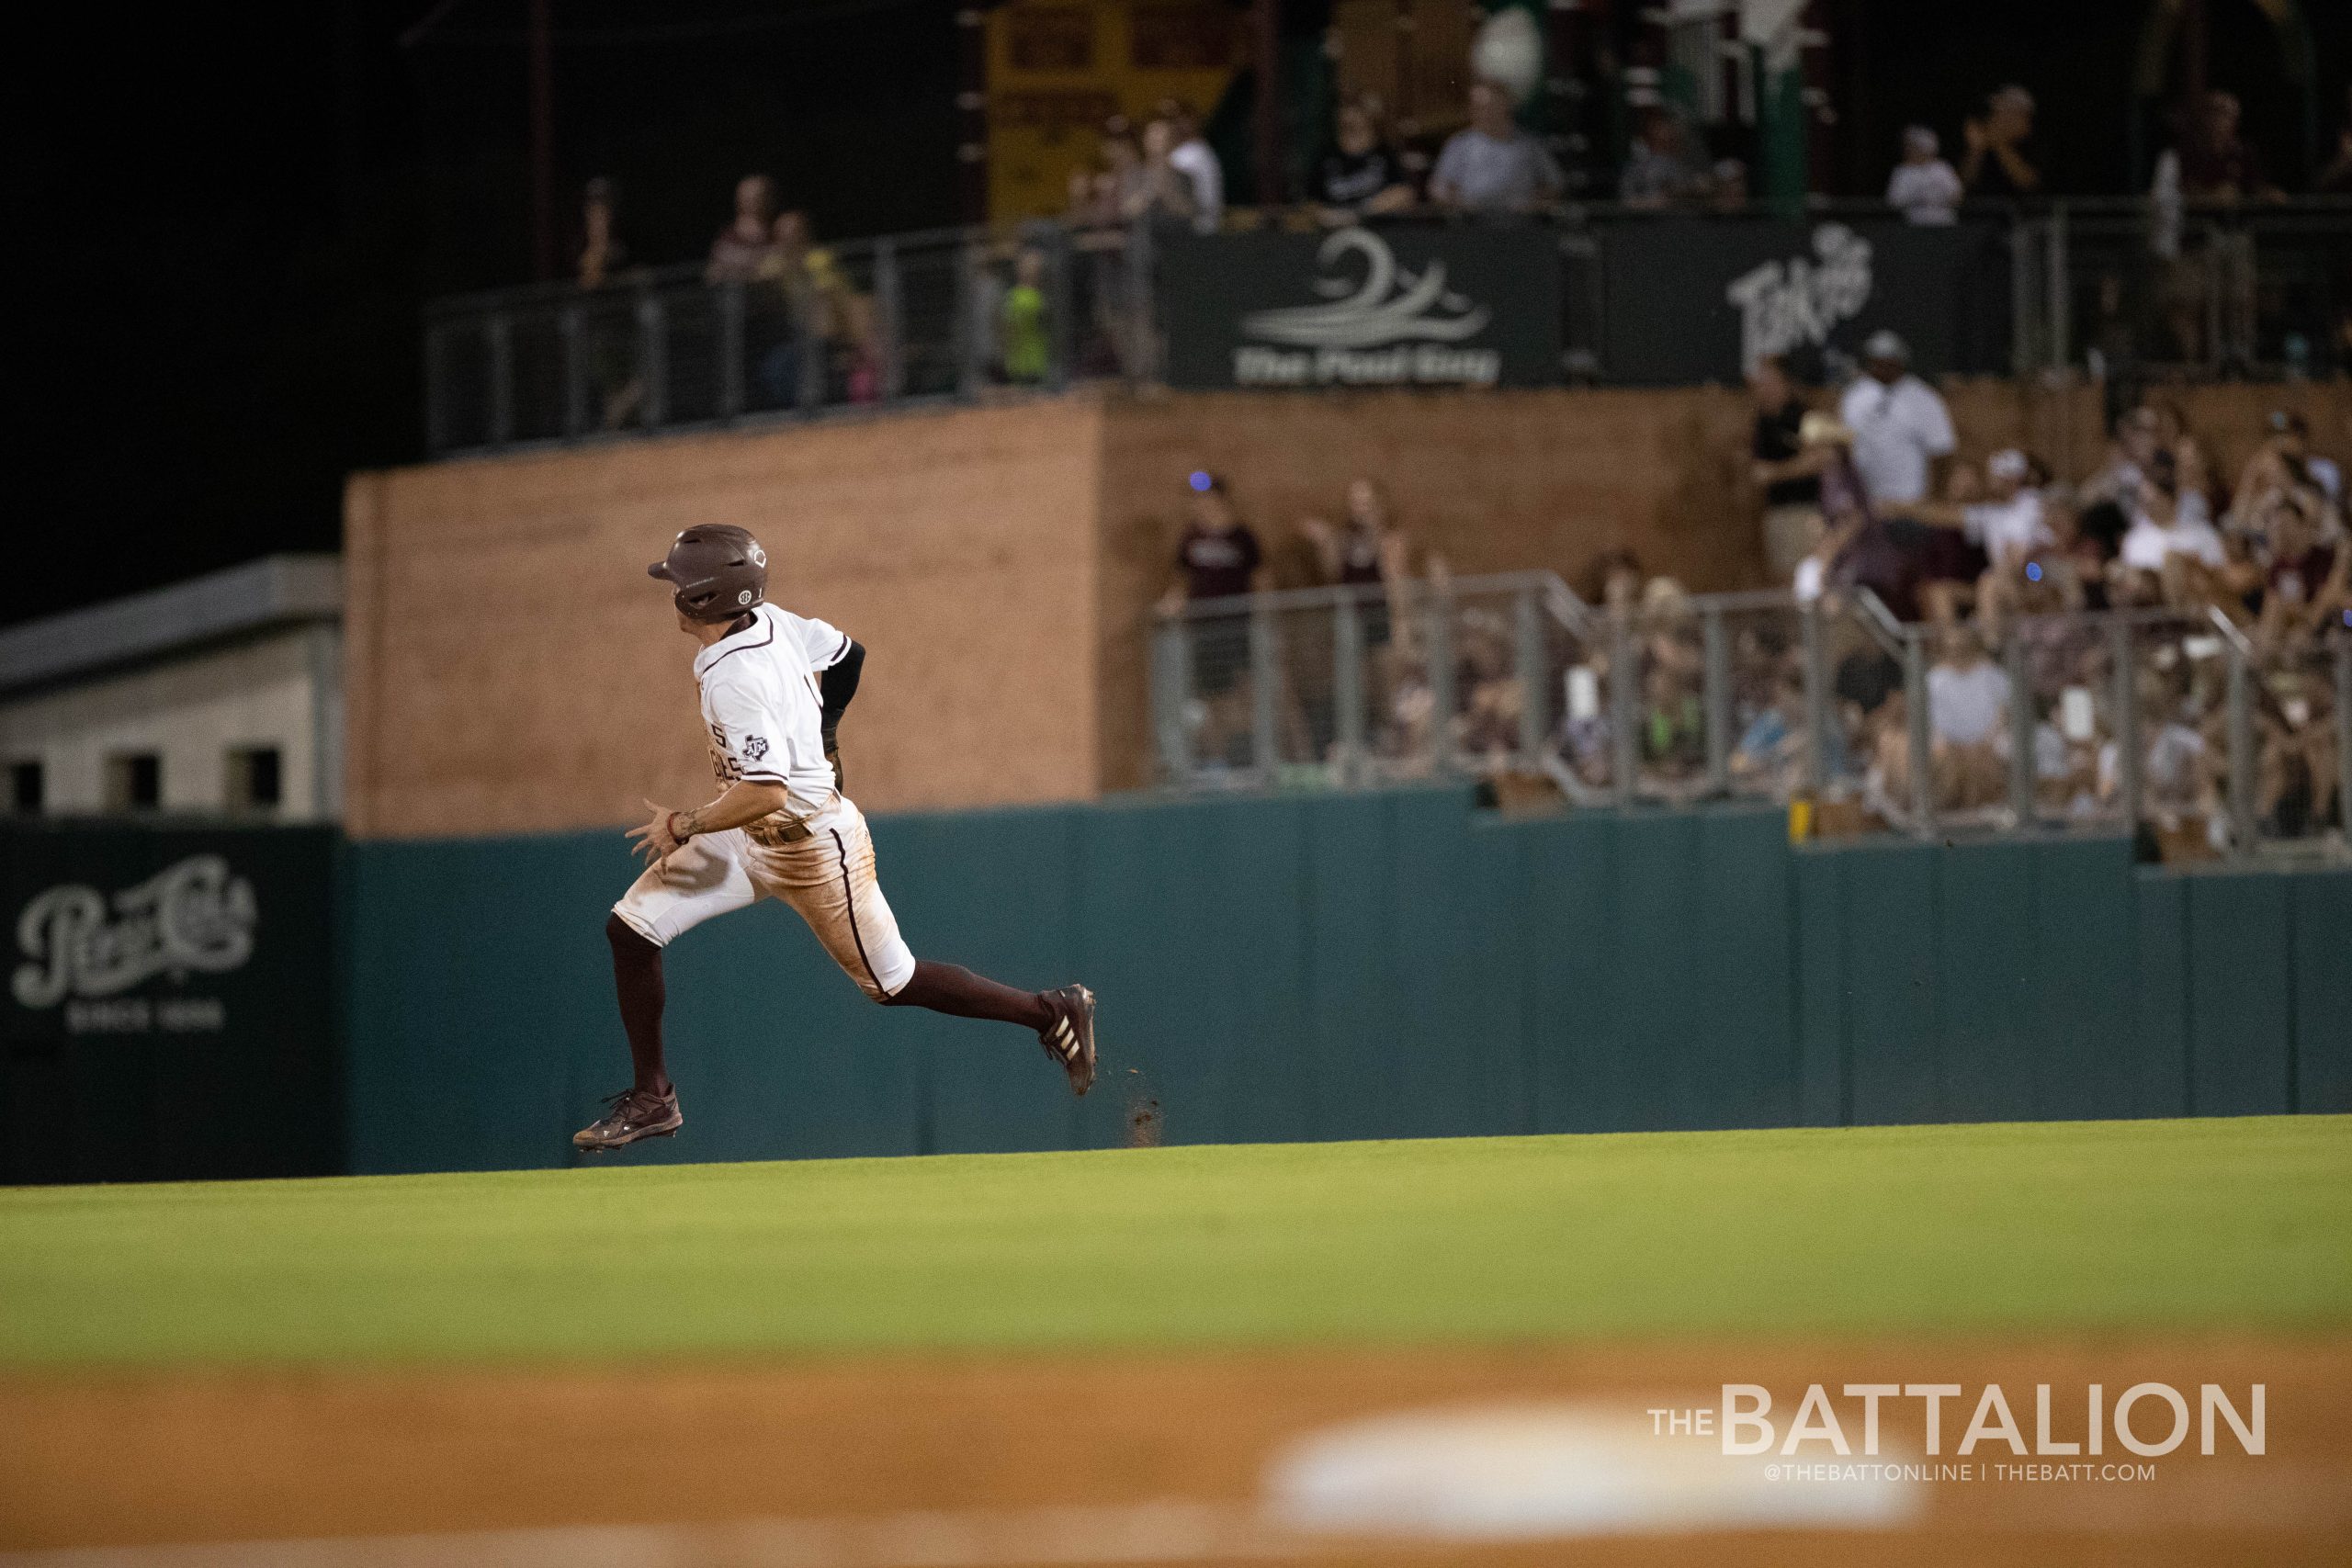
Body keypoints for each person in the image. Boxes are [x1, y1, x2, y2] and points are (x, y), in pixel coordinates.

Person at [574, 527, 1099, 1150]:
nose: (672, 591)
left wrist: (682, 823)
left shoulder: (732, 677)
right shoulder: (769, 620)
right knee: (631, 928)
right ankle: (653, 1099)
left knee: (893, 982)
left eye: (679, 583)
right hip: (748, 836)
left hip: (811, 849)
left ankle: (1050, 1009)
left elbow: (767, 789)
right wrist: (826, 737)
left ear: (702, 599)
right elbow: (848, 654)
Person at [1837, 331, 1956, 508]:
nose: (1882, 368)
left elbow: (1942, 452)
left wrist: (1932, 500)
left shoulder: (1924, 398)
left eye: (1889, 362)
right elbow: (1842, 446)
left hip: (1910, 502)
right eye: (1877, 362)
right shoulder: (1853, 396)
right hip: (1865, 501)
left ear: (1900, 362)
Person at [1430, 80, 1565, 212]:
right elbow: (1438, 188)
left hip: (1519, 224)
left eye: (1489, 107)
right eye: (1476, 107)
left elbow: (1554, 184)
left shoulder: (1530, 145)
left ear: (1505, 106)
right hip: (1472, 224)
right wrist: (1460, 203)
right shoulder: (1460, 144)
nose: (1483, 113)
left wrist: (1533, 206)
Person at [1748, 355, 1822, 580]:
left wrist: (1775, 472)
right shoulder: (1764, 421)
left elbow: (1819, 460)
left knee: (1803, 580)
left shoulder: (1802, 416)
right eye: (1761, 382)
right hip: (1777, 513)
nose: (1763, 388)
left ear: (1786, 383)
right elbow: (1758, 471)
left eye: (1769, 381)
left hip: (1804, 512)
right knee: (1781, 579)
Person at [1315, 97, 1415, 220]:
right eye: (1344, 127)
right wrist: (1330, 216)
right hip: (1337, 234)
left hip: (1379, 229)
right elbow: (1311, 204)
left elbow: (1403, 193)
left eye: (1355, 127)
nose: (1349, 127)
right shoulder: (1327, 159)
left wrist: (1359, 214)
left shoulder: (1384, 154)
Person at [1961, 85, 2040, 199]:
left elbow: (2028, 183)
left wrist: (1999, 144)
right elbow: (1964, 183)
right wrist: (1976, 151)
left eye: (2010, 113)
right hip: (1979, 211)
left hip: (2019, 213)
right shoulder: (1979, 138)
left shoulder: (2033, 143)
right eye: (1996, 112)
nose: (1997, 118)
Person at [1159, 100, 1223, 231]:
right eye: (1170, 121)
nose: (1175, 125)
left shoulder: (1194, 152)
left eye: (1180, 119)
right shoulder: (1199, 149)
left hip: (1197, 228)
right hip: (1197, 225)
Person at [1617, 107, 1696, 208]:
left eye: (1667, 127)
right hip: (1647, 218)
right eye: (1658, 128)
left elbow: (1693, 193)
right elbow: (1626, 198)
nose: (1665, 133)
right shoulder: (1637, 167)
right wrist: (1650, 203)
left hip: (1682, 218)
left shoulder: (1683, 165)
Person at [706, 175, 777, 282]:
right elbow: (713, 276)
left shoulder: (779, 233)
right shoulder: (727, 239)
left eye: (758, 197)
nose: (752, 202)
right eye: (747, 197)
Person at [1886, 127, 1963, 225]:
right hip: (1914, 226)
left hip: (1944, 224)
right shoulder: (1902, 172)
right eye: (1908, 146)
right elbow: (1893, 202)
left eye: (1914, 147)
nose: (1909, 150)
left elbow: (1957, 196)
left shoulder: (1942, 168)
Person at [999, 248, 1050, 385]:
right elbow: (1008, 329)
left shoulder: (1040, 297)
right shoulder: (1017, 297)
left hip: (1037, 361)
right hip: (1022, 363)